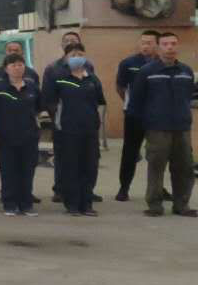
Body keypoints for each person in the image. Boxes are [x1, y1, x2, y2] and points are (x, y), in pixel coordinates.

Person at [127, 31, 196, 218]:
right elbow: (136, 101)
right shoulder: (147, 72)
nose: (170, 47)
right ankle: (155, 205)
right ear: (158, 47)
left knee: (184, 167)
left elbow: (189, 96)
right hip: (157, 128)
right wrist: (145, 123)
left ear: (178, 46)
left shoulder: (186, 71)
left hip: (182, 127)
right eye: (165, 44)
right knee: (156, 167)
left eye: (173, 43)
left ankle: (181, 205)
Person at [44, 43, 105, 216]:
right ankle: (72, 204)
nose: (77, 58)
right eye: (73, 55)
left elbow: (100, 102)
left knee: (90, 167)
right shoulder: (59, 78)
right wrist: (59, 121)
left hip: (90, 130)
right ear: (66, 58)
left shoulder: (92, 79)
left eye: (80, 54)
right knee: (71, 167)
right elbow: (50, 102)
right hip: (67, 130)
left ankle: (87, 203)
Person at [0, 52, 42, 216]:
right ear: (6, 69)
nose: (17, 68)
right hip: (6, 137)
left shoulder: (32, 87)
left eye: (20, 65)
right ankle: (9, 203)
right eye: (13, 65)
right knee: (8, 171)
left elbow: (39, 108)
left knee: (27, 171)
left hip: (29, 136)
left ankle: (26, 204)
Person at [114, 29, 161, 202]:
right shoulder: (128, 63)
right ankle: (124, 188)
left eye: (149, 43)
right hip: (135, 115)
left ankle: (158, 189)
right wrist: (131, 104)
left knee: (158, 153)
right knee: (130, 151)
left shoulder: (163, 63)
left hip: (158, 116)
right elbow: (120, 87)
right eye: (142, 42)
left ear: (157, 45)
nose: (145, 46)